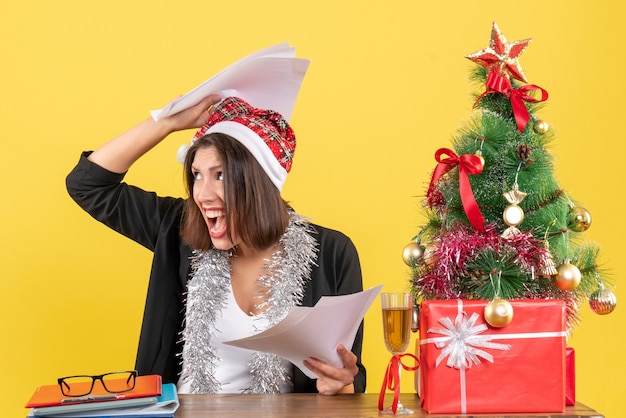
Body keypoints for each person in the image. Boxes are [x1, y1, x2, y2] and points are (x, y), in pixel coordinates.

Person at [66, 93, 366, 395]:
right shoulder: (178, 229)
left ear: (261, 183)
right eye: (197, 175)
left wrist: (341, 384)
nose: (203, 195)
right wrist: (166, 123)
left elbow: (349, 373)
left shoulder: (333, 254)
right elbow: (87, 185)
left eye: (220, 175)